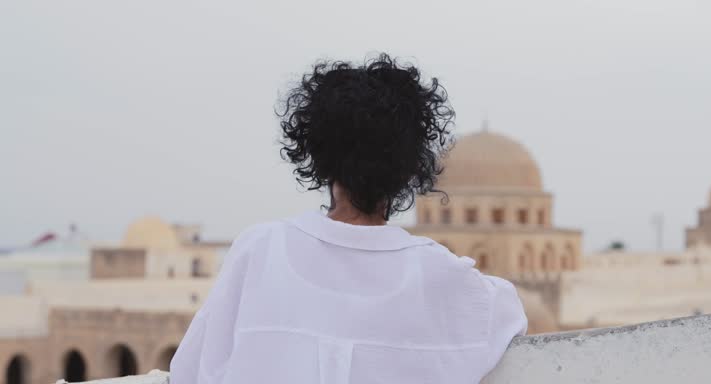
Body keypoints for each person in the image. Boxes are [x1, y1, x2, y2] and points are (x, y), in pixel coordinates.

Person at [170, 54, 527, 383]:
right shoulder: (442, 275)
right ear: (408, 170)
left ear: (320, 158)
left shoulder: (261, 250)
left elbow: (190, 369)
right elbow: (507, 317)